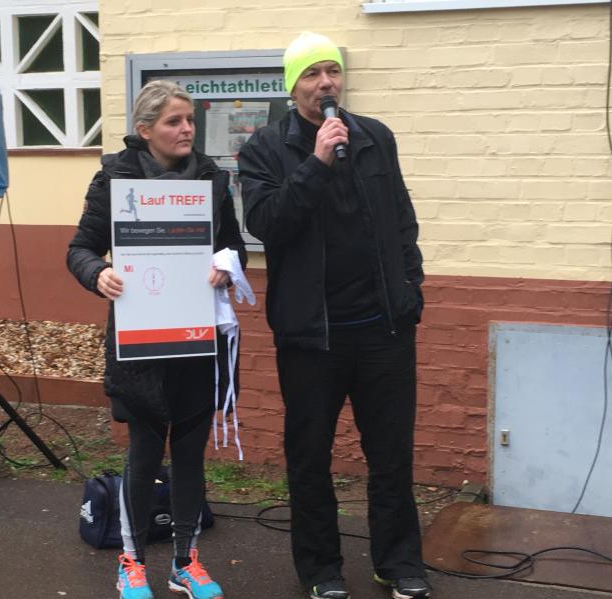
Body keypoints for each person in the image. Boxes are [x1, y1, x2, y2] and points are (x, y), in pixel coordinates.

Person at [237, 32, 430, 599]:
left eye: (332, 71)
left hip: (384, 329)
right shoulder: (265, 149)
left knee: (391, 456)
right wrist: (316, 163)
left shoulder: (374, 137)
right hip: (312, 336)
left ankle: (399, 564)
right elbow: (266, 223)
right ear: (291, 85)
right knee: (310, 458)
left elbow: (402, 219)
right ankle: (321, 571)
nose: (325, 83)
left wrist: (411, 289)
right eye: (311, 74)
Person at [68, 80, 247, 599]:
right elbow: (80, 248)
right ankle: (132, 562)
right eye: (174, 121)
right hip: (141, 343)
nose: (187, 129)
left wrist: (225, 265)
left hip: (196, 338)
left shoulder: (211, 178)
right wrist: (97, 273)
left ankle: (186, 562)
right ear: (145, 130)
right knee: (144, 454)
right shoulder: (114, 177)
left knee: (190, 453)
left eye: (190, 119)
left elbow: (233, 245)